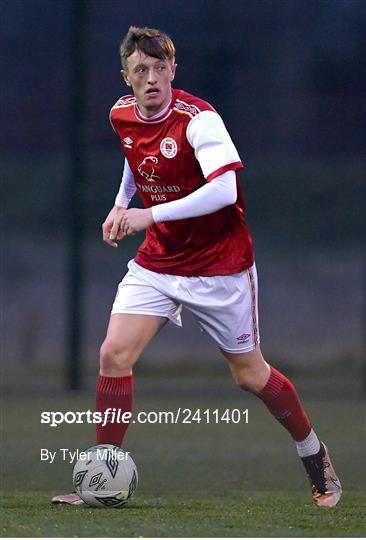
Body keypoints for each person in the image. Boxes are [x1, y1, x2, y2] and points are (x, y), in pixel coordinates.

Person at [52, 26, 341, 507]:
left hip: (219, 266)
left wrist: (148, 214)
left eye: (160, 68)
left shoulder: (199, 119)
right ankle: (102, 482)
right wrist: (120, 205)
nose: (152, 78)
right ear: (125, 77)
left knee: (250, 376)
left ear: (173, 71)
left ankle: (314, 454)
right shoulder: (120, 115)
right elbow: (134, 160)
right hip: (159, 262)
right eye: (140, 70)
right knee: (113, 355)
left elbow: (225, 191)